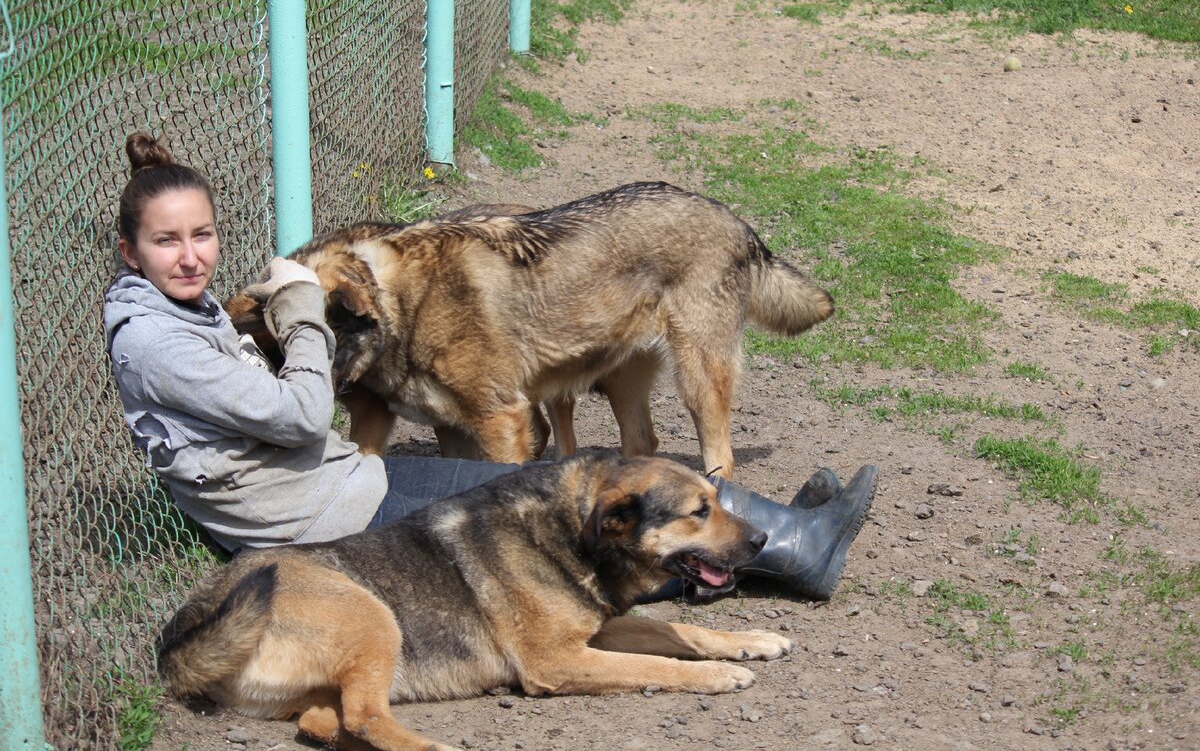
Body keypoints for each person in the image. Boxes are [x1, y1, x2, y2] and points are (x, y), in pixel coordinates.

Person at [103, 132, 878, 601]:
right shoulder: (154, 341)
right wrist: (303, 313)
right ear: (129, 253)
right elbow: (304, 411)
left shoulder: (188, 312)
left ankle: (783, 534)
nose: (193, 255)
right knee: (560, 513)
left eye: (201, 235)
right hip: (319, 515)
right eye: (168, 242)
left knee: (577, 486)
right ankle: (789, 552)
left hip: (339, 483)